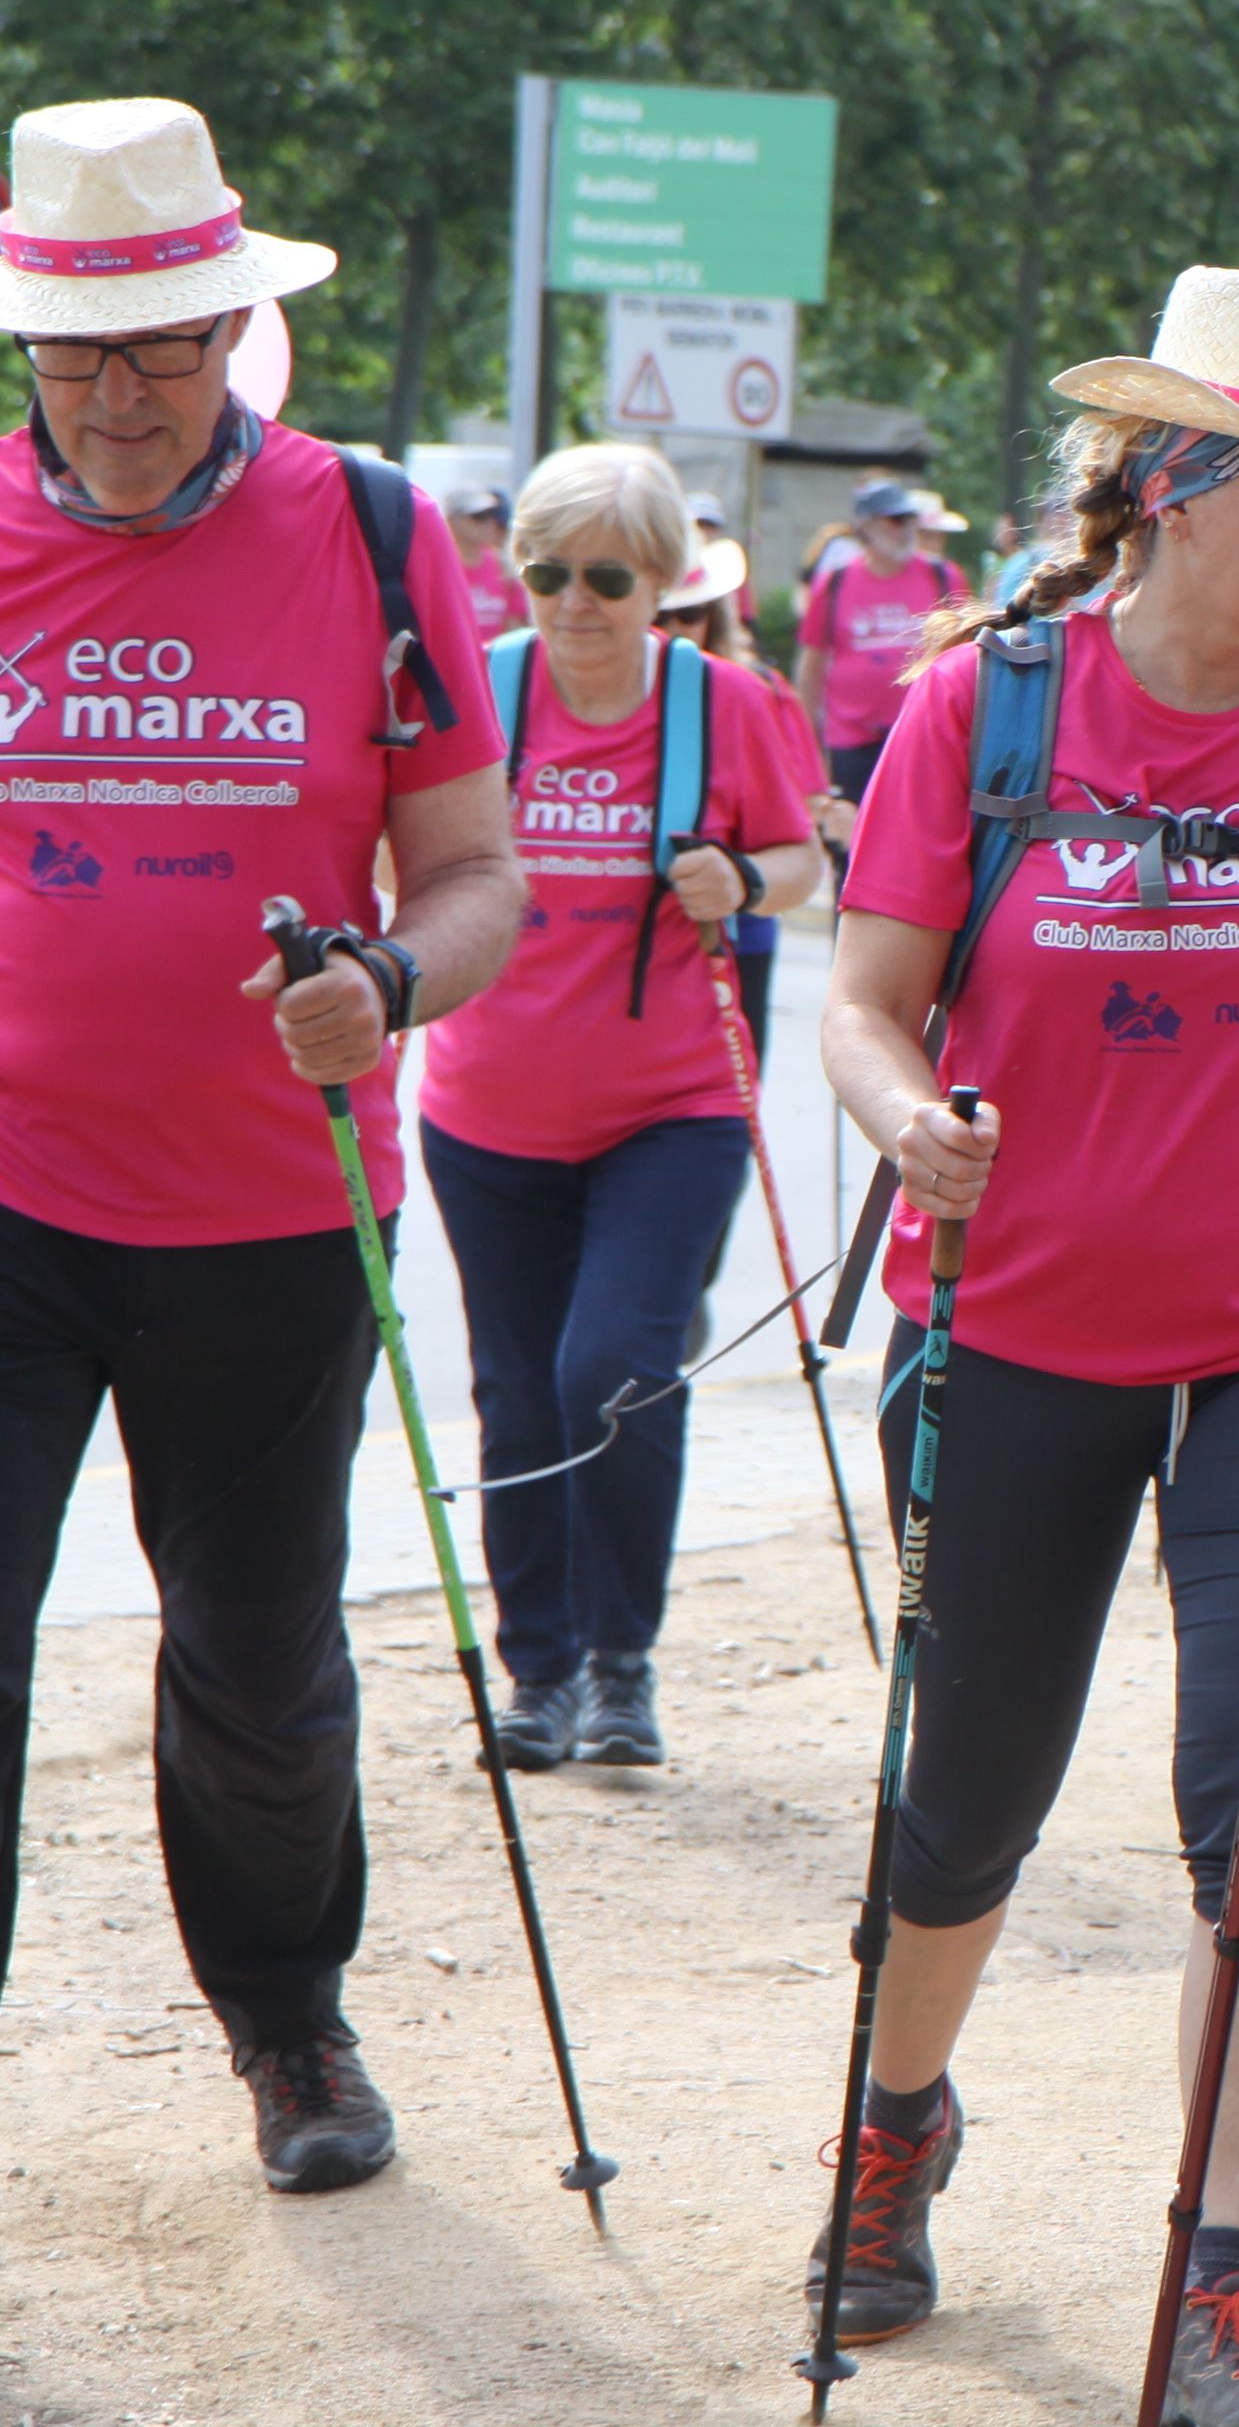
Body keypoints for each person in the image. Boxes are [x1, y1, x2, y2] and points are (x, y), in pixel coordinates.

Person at [803, 268, 1239, 2427]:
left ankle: (1223, 2273)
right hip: (1012, 1333)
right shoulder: (987, 711)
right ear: (1174, 487)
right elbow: (867, 994)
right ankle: (897, 2124)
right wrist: (914, 1125)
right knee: (969, 1791)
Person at [0, 96, 523, 2193]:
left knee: (260, 1677)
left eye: (163, 347)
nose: (121, 396)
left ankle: (291, 2022)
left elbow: (478, 872)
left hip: (275, 1208)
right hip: (9, 1198)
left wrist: (389, 984)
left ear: (235, 327)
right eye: (76, 349)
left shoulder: (377, 535)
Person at [418, 444, 825, 1773]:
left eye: (605, 577)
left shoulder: (725, 704)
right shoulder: (477, 695)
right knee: (519, 1394)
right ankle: (536, 1674)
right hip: (487, 1110)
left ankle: (620, 1664)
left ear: (662, 582)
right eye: (546, 573)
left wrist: (740, 883)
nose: (573, 602)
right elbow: (399, 856)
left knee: (619, 1371)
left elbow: (800, 857)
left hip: (675, 1103)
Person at [793, 475, 965, 844]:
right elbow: (812, 667)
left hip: (924, 735)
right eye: (894, 520)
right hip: (852, 739)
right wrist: (807, 744)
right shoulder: (836, 582)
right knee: (851, 844)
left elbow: (968, 656)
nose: (905, 529)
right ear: (866, 528)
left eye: (908, 519)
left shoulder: (942, 576)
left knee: (918, 841)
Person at [452, 476, 531, 643]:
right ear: (452, 520)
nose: (487, 522)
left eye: (490, 515)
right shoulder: (443, 568)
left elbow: (515, 623)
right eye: (478, 516)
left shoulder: (504, 565)